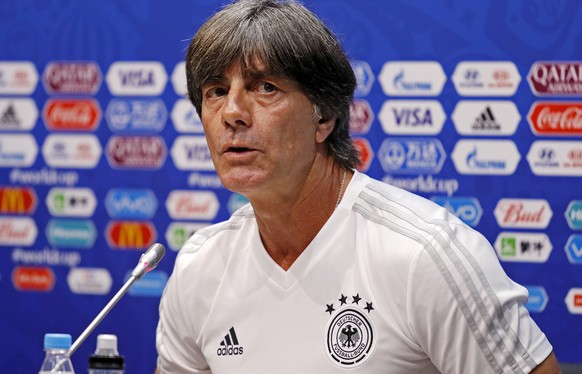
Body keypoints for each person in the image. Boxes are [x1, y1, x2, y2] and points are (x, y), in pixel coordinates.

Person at [156, 0, 561, 372]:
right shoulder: (199, 267)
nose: (232, 113)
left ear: (325, 117)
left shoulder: (426, 254)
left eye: (266, 88)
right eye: (216, 92)